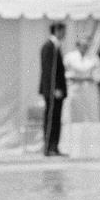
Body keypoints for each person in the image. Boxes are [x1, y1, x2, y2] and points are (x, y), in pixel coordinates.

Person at [38, 22, 68, 156]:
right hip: (52, 90)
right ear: (56, 30)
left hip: (58, 90)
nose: (64, 34)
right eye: (62, 31)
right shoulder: (49, 46)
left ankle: (54, 146)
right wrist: (54, 88)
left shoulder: (56, 46)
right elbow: (48, 70)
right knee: (51, 118)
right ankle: (48, 146)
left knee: (56, 118)